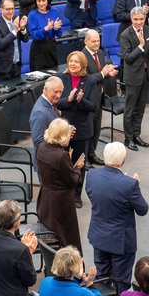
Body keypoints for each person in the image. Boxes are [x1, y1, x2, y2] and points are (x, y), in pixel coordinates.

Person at [85, 142, 148, 292]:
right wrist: (136, 185)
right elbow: (143, 209)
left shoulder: (92, 175)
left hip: (99, 237)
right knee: (121, 283)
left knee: (101, 278)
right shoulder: (130, 185)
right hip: (121, 242)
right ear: (123, 160)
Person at [36, 118, 85, 251]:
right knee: (67, 238)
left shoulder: (41, 147)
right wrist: (78, 167)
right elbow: (74, 180)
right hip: (61, 203)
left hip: (46, 199)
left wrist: (67, 163)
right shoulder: (60, 156)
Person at [119, 7, 149, 151]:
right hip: (133, 76)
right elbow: (128, 58)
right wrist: (141, 46)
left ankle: (137, 135)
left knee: (141, 108)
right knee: (130, 109)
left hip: (146, 74)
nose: (138, 22)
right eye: (136, 19)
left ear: (145, 19)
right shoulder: (125, 35)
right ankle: (128, 138)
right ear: (131, 19)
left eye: (141, 19)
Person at [57, 51, 97, 207]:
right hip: (64, 129)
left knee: (79, 163)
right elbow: (57, 103)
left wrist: (81, 101)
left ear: (83, 65)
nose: (73, 64)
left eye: (76, 62)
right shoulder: (62, 78)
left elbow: (93, 106)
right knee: (63, 162)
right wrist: (68, 99)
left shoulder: (90, 81)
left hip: (82, 130)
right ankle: (64, 192)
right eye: (70, 61)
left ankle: (76, 196)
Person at [81, 30, 118, 166]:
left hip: (99, 98)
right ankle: (83, 159)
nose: (97, 44)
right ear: (86, 41)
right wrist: (103, 73)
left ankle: (92, 154)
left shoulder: (100, 53)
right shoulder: (81, 57)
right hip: (87, 100)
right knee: (87, 131)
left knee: (96, 130)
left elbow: (101, 74)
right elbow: (87, 79)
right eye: (93, 41)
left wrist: (109, 74)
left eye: (98, 41)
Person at [0, 0, 29, 82]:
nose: (11, 11)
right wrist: (15, 31)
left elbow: (25, 39)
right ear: (1, 10)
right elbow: (0, 44)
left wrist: (22, 28)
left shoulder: (16, 19)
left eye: (12, 9)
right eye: (7, 9)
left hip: (16, 66)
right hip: (2, 69)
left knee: (18, 93)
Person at [29, 76, 63, 167]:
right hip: (46, 164)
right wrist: (63, 136)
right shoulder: (40, 113)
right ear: (45, 90)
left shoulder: (50, 103)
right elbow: (39, 142)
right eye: (56, 91)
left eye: (60, 92)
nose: (59, 95)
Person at [27, 0, 62, 71]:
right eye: (38, 1)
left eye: (43, 0)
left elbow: (59, 34)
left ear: (48, 1)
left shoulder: (54, 11)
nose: (41, 3)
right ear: (35, 2)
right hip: (38, 50)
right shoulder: (32, 14)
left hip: (51, 48)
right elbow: (34, 35)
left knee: (53, 75)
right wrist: (45, 29)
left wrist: (56, 28)